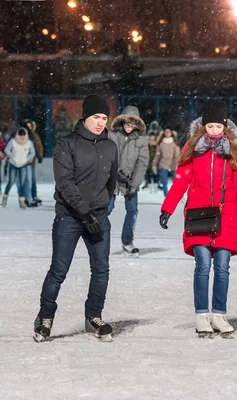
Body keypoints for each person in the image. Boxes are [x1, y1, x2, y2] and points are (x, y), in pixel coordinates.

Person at [158, 100, 237, 337]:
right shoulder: (193, 147)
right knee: (202, 266)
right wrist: (167, 208)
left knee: (221, 268)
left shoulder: (234, 148)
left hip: (226, 215)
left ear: (225, 127)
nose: (214, 131)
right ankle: (201, 315)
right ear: (204, 126)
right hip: (198, 215)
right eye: (210, 126)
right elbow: (181, 180)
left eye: (218, 127)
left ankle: (218, 314)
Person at [34, 95, 118, 342]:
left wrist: (101, 209)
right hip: (69, 217)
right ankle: (45, 317)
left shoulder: (110, 146)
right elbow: (65, 183)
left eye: (104, 118)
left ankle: (94, 316)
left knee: (101, 270)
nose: (100, 122)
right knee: (59, 270)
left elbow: (111, 184)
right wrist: (84, 211)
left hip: (99, 217)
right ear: (85, 117)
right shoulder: (67, 144)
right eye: (96, 117)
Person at [108, 105, 149, 257]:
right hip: (112, 178)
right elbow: (106, 156)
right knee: (107, 208)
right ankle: (98, 238)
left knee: (132, 210)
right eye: (127, 124)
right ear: (122, 122)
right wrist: (115, 173)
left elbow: (142, 163)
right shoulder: (112, 136)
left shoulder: (141, 140)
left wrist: (134, 183)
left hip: (130, 179)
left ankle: (127, 242)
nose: (129, 127)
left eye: (132, 125)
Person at [2, 127, 35, 209]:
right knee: (11, 181)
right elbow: (6, 150)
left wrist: (27, 159)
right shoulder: (13, 141)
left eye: (23, 136)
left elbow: (33, 153)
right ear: (18, 135)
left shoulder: (29, 143)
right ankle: (5, 197)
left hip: (23, 165)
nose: (22, 138)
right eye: (20, 136)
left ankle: (21, 201)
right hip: (13, 164)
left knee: (22, 183)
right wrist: (12, 157)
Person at [153, 127, 180, 197]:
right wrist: (154, 165)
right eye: (166, 131)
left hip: (173, 165)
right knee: (164, 183)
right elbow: (157, 155)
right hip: (163, 165)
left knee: (176, 183)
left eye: (168, 132)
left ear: (171, 133)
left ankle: (175, 196)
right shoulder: (160, 143)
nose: (167, 133)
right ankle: (167, 197)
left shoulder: (175, 143)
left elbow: (177, 155)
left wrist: (178, 164)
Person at [23, 119, 44, 206]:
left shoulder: (34, 135)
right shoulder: (25, 135)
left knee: (32, 180)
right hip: (25, 161)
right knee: (27, 180)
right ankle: (28, 197)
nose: (29, 127)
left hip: (32, 161)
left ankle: (33, 196)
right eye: (27, 126)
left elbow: (39, 146)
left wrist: (40, 155)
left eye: (30, 126)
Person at [143, 121, 161, 192]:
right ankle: (148, 183)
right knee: (148, 173)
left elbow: (158, 152)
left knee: (155, 173)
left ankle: (156, 184)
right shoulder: (146, 143)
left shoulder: (157, 143)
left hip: (154, 160)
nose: (152, 137)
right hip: (148, 160)